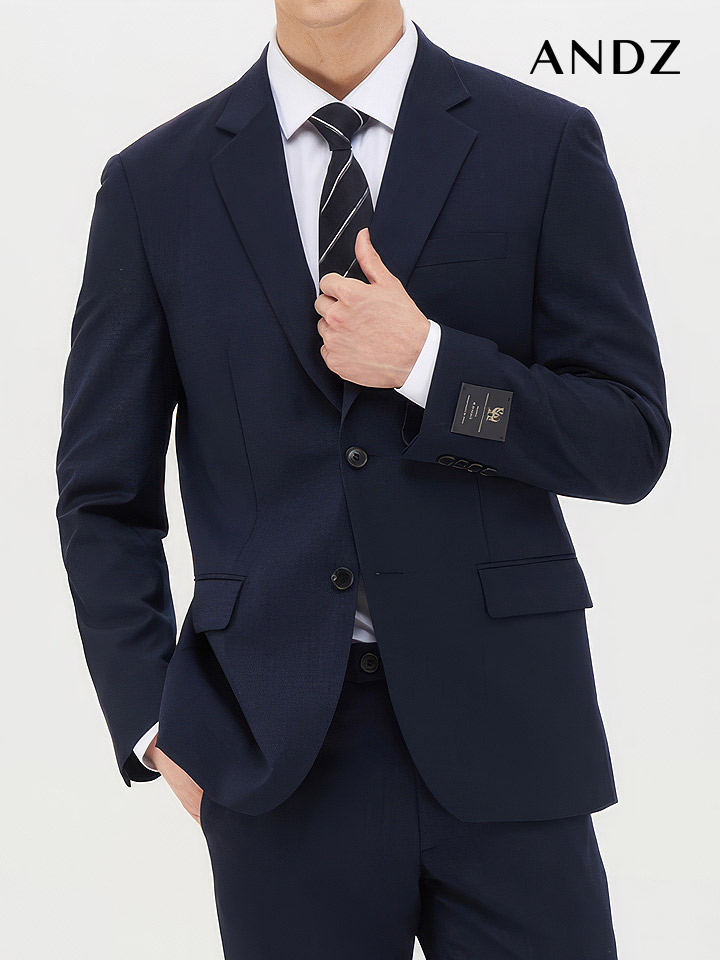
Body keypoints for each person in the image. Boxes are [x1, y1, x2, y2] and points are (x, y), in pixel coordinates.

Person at [56, 2, 671, 957]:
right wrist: (150, 720)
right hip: (275, 754)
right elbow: (102, 495)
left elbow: (627, 439)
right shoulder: (154, 184)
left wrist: (431, 366)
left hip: (510, 735)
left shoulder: (541, 143)